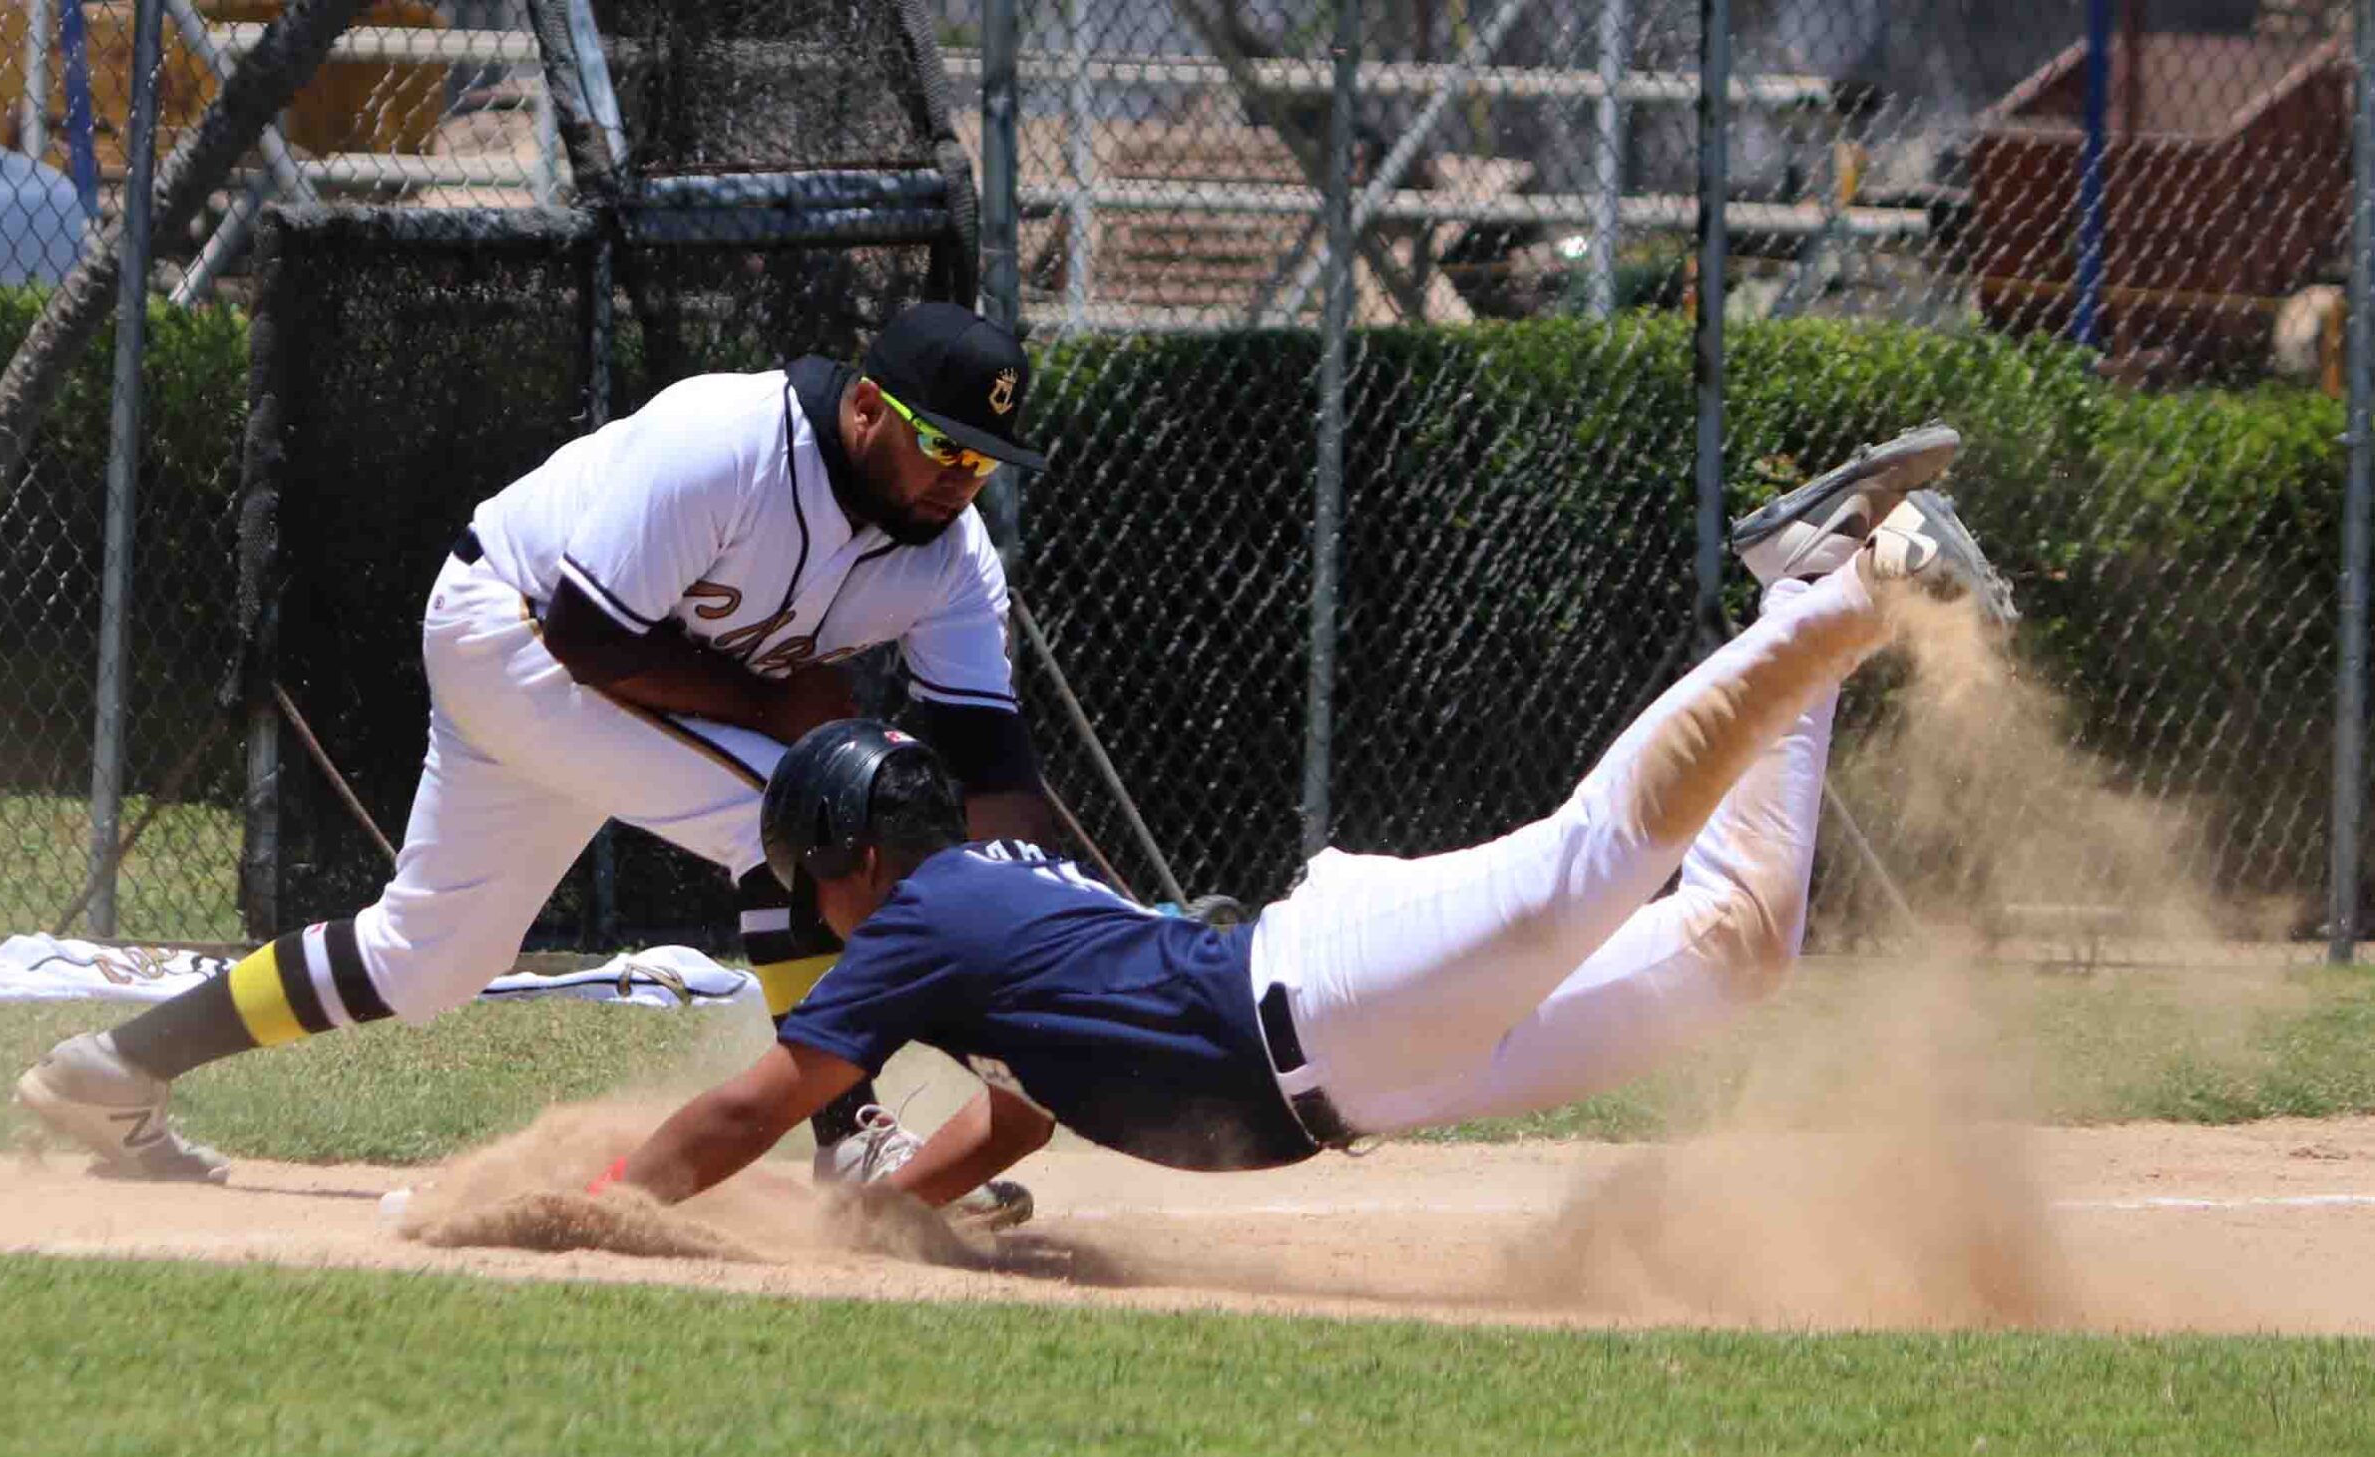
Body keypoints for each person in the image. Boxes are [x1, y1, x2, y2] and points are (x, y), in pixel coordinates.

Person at [587, 427, 2016, 1208]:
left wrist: (596, 1200)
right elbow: (1015, 1123)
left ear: (856, 855)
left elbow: (744, 1111)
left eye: (810, 878)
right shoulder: (980, 910)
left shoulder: (921, 918)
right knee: (1740, 950)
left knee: (1594, 852)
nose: (816, 909)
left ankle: (1842, 590)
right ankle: (1810, 592)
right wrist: (898, 1219)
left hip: (1324, 995)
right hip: (1369, 1073)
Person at [15, 302, 1064, 1228]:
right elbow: (590, 637)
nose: (959, 482)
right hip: (509, 631)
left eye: (984, 463)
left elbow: (986, 752)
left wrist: (1052, 916)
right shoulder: (728, 443)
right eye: (943, 447)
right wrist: (768, 704)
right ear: (871, 408)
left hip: (581, 679)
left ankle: (114, 1070)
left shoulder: (950, 558)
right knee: (788, 816)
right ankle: (850, 1137)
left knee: (427, 958)